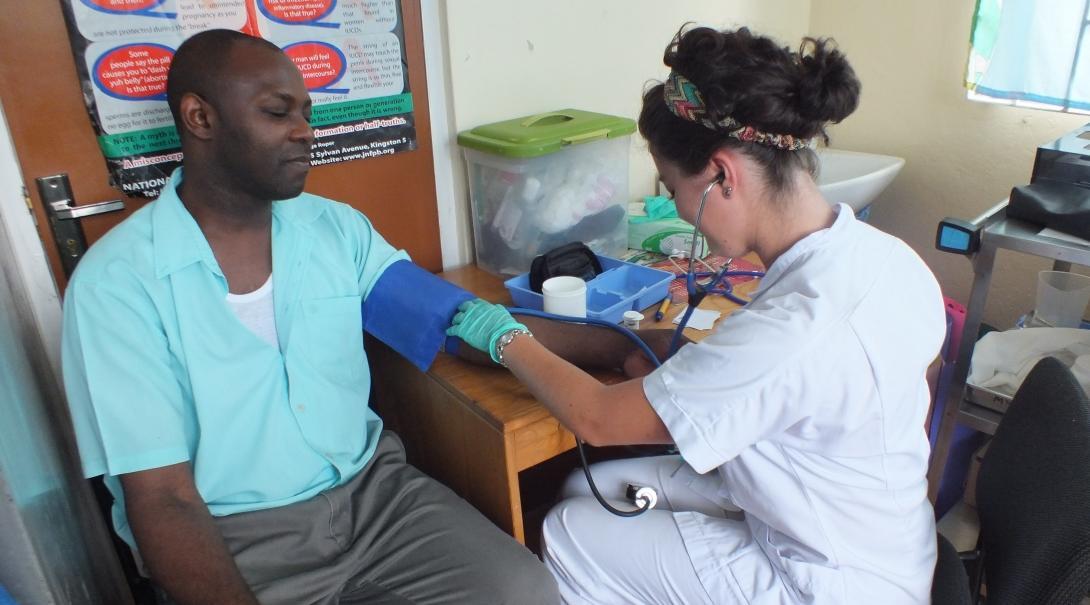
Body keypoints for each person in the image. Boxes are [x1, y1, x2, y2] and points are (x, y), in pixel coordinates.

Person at [447, 26, 946, 604]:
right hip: (883, 537)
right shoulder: (883, 257)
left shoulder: (798, 327)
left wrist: (504, 336)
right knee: (589, 484)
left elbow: (602, 421)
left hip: (828, 580)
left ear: (721, 175)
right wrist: (629, 351)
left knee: (568, 531)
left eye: (673, 187)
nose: (681, 210)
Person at [61, 29, 561, 605]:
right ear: (200, 118)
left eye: (306, 112)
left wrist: (612, 344)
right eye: (278, 112)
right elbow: (163, 500)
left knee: (524, 591)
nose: (305, 132)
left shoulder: (333, 229)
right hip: (236, 536)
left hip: (377, 499)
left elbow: (452, 320)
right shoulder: (115, 285)